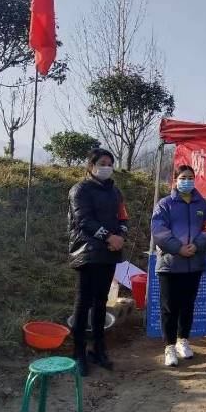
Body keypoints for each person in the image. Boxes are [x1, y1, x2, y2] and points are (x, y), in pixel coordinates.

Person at [68, 148, 128, 377]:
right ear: (91, 166)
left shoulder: (115, 192)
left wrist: (120, 237)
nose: (106, 167)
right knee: (83, 301)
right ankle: (78, 352)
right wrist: (109, 237)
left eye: (110, 163)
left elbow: (123, 217)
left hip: (109, 253)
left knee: (102, 301)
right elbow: (83, 220)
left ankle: (99, 349)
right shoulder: (80, 190)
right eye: (102, 163)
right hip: (87, 251)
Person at [151, 165, 206, 368]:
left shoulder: (202, 205)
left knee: (188, 305)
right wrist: (178, 248)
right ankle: (169, 346)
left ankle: (183, 340)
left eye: (190, 177)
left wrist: (196, 246)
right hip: (170, 265)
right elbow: (159, 231)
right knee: (169, 307)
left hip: (193, 264)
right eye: (183, 177)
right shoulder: (165, 205)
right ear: (175, 180)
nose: (187, 181)